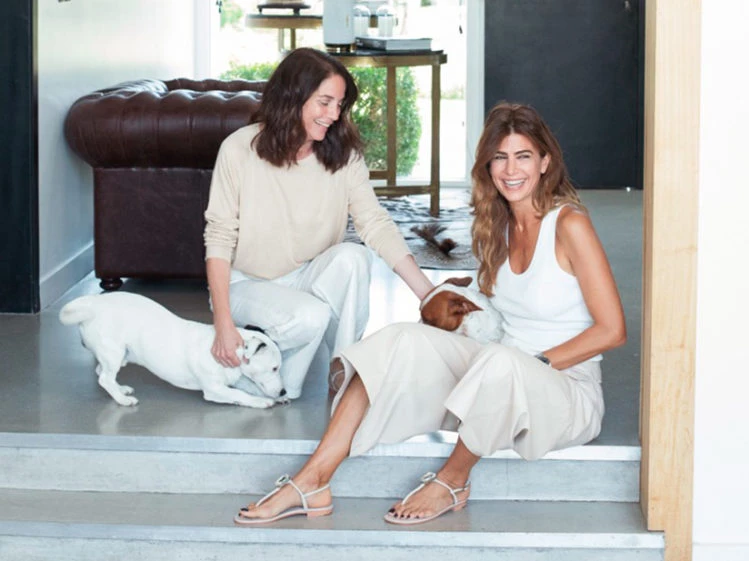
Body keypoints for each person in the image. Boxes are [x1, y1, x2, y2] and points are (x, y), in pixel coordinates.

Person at [233, 101, 626, 526]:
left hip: (565, 391)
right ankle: (313, 480)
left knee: (500, 362)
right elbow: (498, 314)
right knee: (398, 340)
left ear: (545, 162)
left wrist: (534, 364)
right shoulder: (498, 227)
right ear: (487, 166)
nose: (511, 170)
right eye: (500, 157)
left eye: (524, 156)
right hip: (499, 374)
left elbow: (612, 330)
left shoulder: (569, 224)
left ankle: (453, 480)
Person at [204, 48, 433, 399]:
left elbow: (375, 223)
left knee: (354, 258)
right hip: (247, 282)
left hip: (306, 275)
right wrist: (222, 322)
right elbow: (219, 237)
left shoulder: (344, 156)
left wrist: (428, 294)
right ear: (292, 97)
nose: (334, 115)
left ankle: (344, 366)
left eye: (339, 105)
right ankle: (258, 359)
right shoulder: (238, 150)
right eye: (324, 102)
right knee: (310, 320)